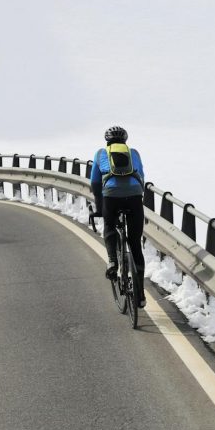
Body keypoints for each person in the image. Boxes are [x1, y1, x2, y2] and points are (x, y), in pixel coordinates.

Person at [91, 125, 147, 307]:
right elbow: (141, 177)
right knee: (135, 243)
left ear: (107, 141)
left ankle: (113, 262)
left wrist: (100, 208)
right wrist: (137, 198)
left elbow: (95, 183)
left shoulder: (100, 154)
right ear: (125, 140)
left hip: (111, 196)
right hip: (134, 196)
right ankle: (140, 295)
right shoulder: (134, 153)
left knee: (109, 226)